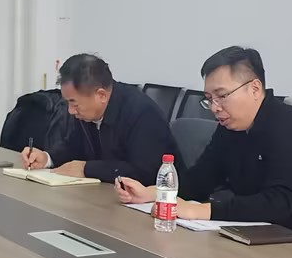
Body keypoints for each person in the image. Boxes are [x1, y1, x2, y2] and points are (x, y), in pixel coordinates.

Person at [115, 46, 292, 244]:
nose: (215, 107)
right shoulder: (230, 128)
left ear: (255, 88)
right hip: (262, 236)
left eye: (222, 96)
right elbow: (200, 179)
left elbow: (278, 203)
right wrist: (152, 193)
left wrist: (199, 210)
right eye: (209, 99)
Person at [19, 53, 178, 185]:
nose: (70, 111)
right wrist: (47, 158)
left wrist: (87, 169)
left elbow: (146, 172)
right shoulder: (85, 112)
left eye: (74, 103)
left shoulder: (142, 113)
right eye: (67, 102)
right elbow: (72, 146)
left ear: (101, 95)